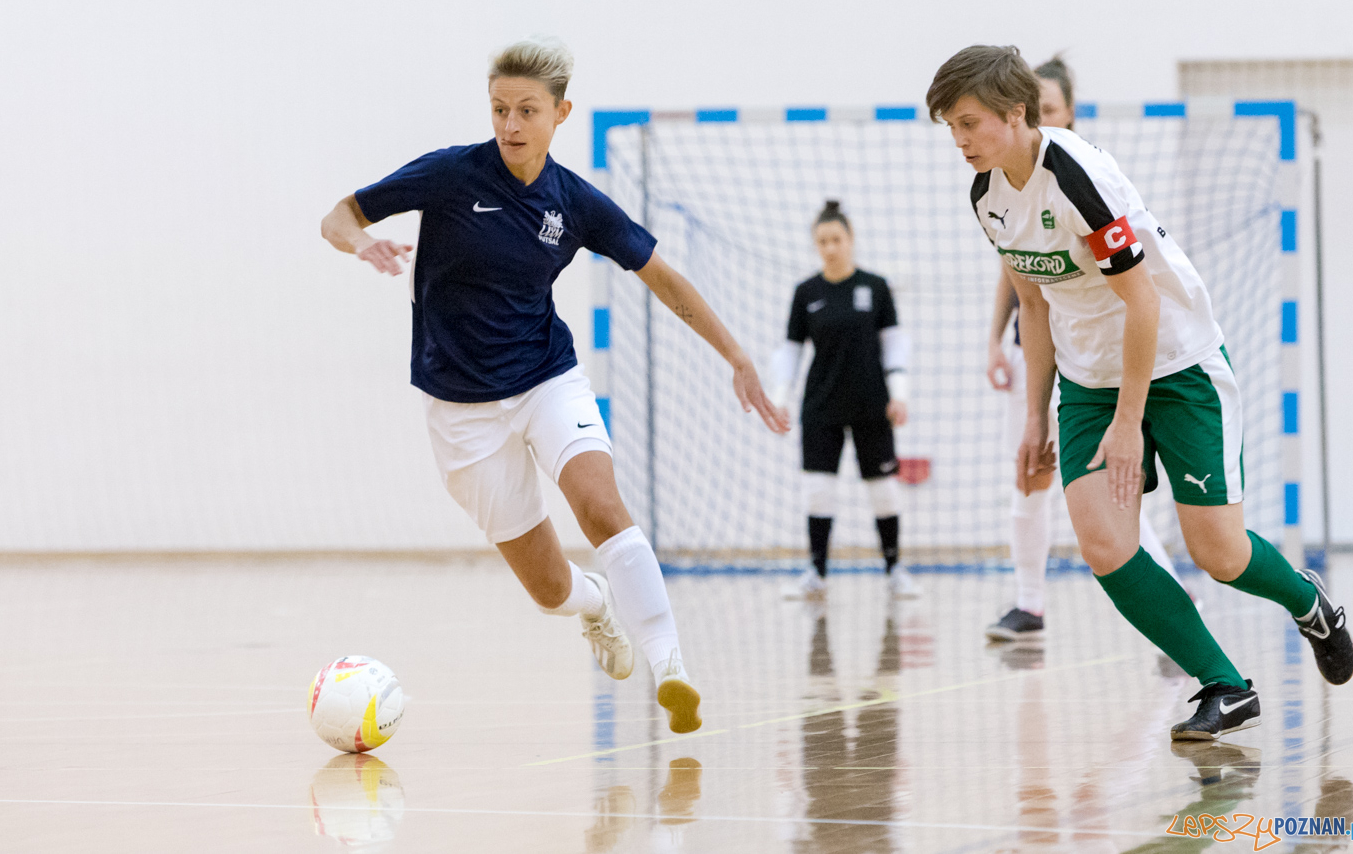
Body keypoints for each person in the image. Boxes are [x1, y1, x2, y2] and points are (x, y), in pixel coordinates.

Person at [320, 37, 790, 735]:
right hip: (460, 409)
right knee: (547, 589)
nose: (511, 124)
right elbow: (340, 217)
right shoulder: (450, 175)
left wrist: (736, 355)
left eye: (527, 110)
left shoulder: (575, 202)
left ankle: (671, 667)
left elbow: (662, 275)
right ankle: (597, 606)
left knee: (601, 505)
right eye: (500, 109)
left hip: (547, 378)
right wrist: (365, 245)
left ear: (561, 112)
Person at [928, 44, 1353, 739]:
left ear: (1014, 113)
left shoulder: (1076, 176)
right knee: (1104, 543)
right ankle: (1223, 683)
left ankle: (1310, 603)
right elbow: (1033, 307)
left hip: (1177, 362)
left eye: (969, 122)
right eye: (951, 127)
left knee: (1219, 552)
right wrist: (1035, 416)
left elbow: (1143, 302)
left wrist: (1130, 422)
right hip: (1089, 376)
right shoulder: (987, 197)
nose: (960, 139)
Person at [983, 56, 1192, 643]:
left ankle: (1174, 605)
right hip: (1043, 349)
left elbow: (1134, 282)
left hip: (1107, 355)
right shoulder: (1000, 192)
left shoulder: (1085, 175)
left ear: (1062, 112)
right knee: (1031, 471)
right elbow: (1017, 278)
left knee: (1115, 488)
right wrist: (994, 342)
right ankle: (1028, 603)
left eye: (1048, 110)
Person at [770, 201, 919, 601]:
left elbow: (894, 345)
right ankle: (816, 573)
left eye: (836, 239)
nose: (830, 247)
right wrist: (780, 399)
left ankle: (894, 570)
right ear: (815, 245)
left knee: (883, 490)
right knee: (818, 490)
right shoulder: (806, 293)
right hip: (821, 407)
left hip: (873, 405)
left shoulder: (875, 286)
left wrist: (899, 395)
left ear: (850, 240)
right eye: (822, 241)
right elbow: (790, 350)